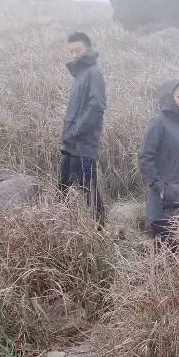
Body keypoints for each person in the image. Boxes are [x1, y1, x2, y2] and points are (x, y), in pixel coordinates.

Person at [137, 79, 179, 249]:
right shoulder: (159, 122)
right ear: (170, 97)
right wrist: (159, 186)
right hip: (164, 202)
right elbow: (144, 157)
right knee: (162, 254)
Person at [59, 31, 106, 220]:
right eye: (70, 51)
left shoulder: (92, 73)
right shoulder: (81, 74)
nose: (74, 55)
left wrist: (75, 132)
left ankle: (100, 230)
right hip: (72, 144)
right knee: (63, 188)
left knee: (89, 190)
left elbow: (97, 107)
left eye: (77, 50)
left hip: (84, 144)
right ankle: (63, 227)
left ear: (87, 48)